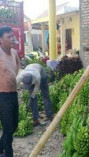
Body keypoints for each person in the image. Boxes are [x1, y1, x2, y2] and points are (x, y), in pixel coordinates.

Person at [0, 26, 20, 157]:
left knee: (14, 125)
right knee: (8, 128)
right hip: (2, 96)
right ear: (1, 40)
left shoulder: (14, 53)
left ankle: (0, 146)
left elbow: (17, 67)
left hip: (13, 93)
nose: (12, 38)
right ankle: (9, 154)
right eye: (9, 36)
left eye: (12, 36)